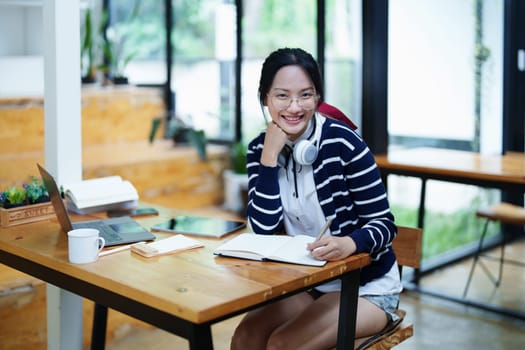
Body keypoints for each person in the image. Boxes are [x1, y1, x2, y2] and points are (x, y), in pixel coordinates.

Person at [230, 48, 402, 350]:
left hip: (364, 288)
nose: (294, 107)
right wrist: (269, 158)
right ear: (265, 99)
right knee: (245, 338)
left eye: (305, 95)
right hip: (307, 284)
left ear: (317, 97)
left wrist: (350, 243)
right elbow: (263, 229)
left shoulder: (344, 143)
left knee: (283, 345)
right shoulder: (260, 149)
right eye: (282, 96)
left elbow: (385, 225)